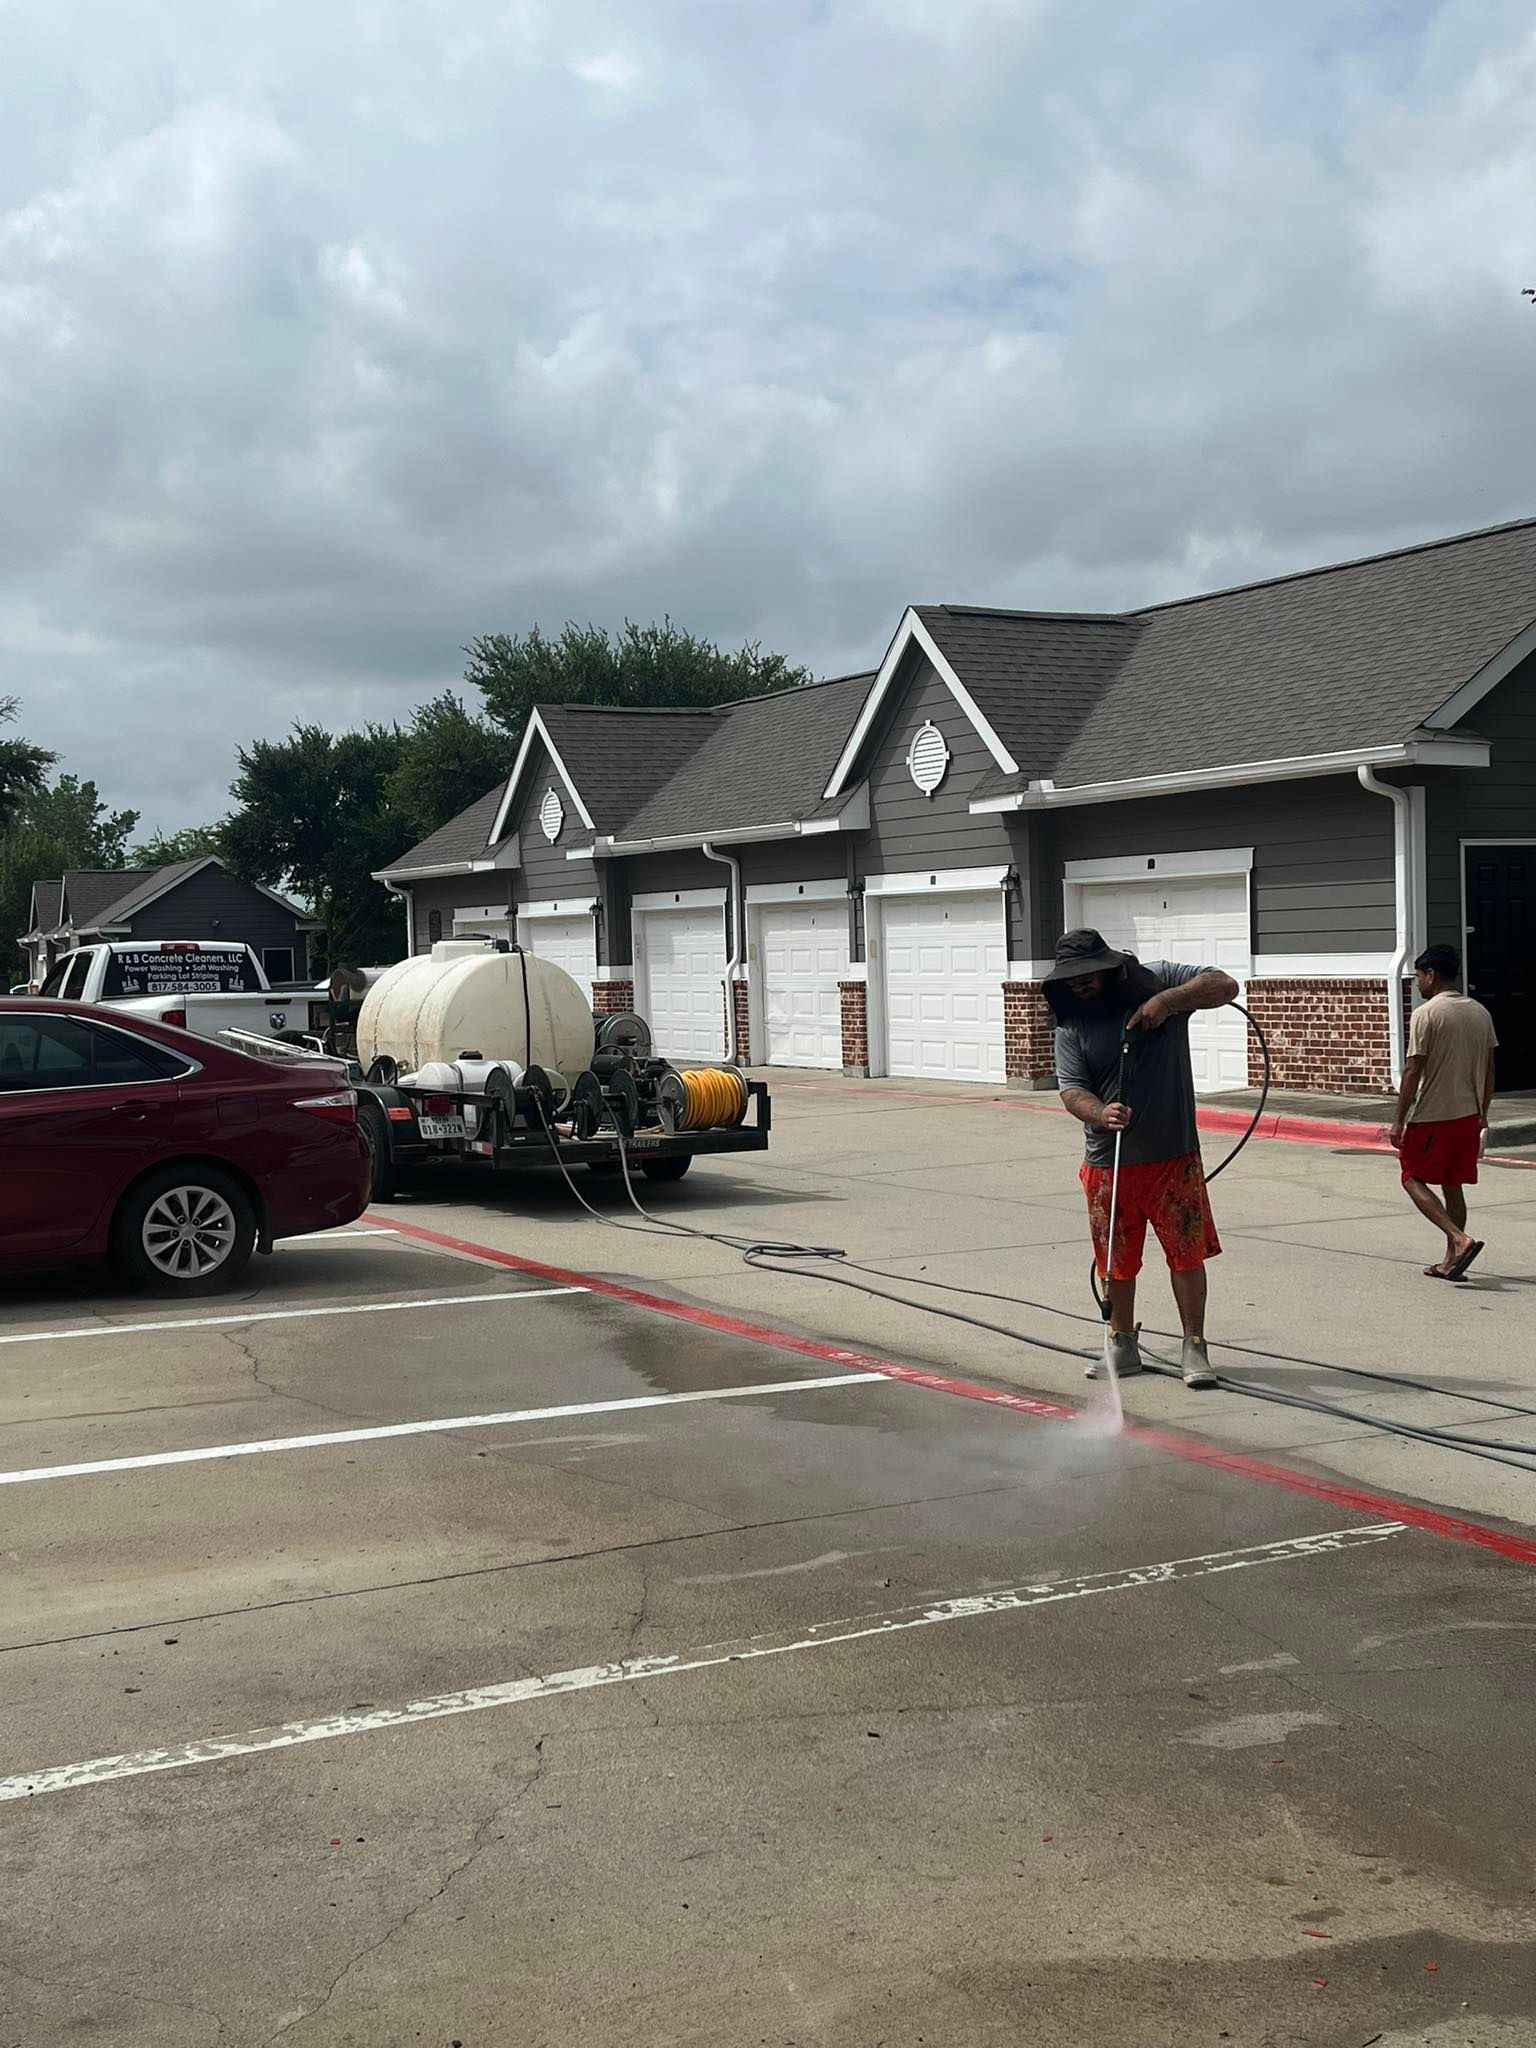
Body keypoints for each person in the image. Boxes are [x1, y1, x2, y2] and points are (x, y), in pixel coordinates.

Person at [1045, 928, 1238, 1388]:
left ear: (1110, 967)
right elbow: (1071, 1090)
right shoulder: (1072, 1025)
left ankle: (1195, 1347)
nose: (1080, 986)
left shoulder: (1159, 980)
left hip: (1173, 1158)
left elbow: (1225, 985)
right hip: (1107, 1165)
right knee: (1114, 1261)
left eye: (1088, 977)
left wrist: (1168, 1002)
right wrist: (1099, 1112)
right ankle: (1121, 1343)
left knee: (1186, 1256)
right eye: (1071, 981)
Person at [1389, 943, 1497, 1282]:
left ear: (1431, 975)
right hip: (1468, 1114)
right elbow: (1490, 1070)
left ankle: (1459, 1239)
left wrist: (1399, 1119)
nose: (1418, 983)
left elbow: (1413, 1069)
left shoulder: (1427, 1013)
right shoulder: (1480, 1012)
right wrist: (1483, 1112)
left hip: (1434, 1113)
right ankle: (1451, 1262)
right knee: (1452, 1183)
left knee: (1410, 1176)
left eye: (1419, 976)